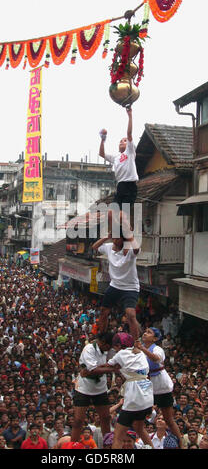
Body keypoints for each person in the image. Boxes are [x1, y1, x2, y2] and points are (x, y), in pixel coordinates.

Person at [80, 332, 154, 449]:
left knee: (118, 436)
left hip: (135, 397)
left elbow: (107, 366)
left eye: (114, 346)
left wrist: (87, 371)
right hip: (147, 395)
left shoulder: (120, 354)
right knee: (139, 428)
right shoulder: (139, 352)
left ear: (118, 345)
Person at [99, 107, 138, 255]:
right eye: (121, 141)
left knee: (121, 215)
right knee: (110, 213)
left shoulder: (130, 151)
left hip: (129, 186)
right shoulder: (116, 157)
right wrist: (103, 140)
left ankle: (127, 230)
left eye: (125, 141)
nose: (123, 141)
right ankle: (116, 232)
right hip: (120, 186)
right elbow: (101, 153)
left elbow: (129, 133)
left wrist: (129, 115)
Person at [136, 327, 184, 449]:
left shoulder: (157, 349)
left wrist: (142, 349)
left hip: (162, 385)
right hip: (148, 384)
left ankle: (181, 443)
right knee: (139, 418)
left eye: (149, 333)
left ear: (155, 338)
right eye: (145, 332)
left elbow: (156, 359)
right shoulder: (139, 348)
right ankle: (148, 444)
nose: (145, 334)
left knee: (168, 418)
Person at [92, 235, 140, 339]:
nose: (114, 241)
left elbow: (137, 249)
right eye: (113, 238)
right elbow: (95, 247)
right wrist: (106, 236)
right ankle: (102, 336)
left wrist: (130, 236)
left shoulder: (129, 251)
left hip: (130, 287)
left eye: (117, 239)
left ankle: (136, 342)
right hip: (114, 285)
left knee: (130, 314)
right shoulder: (109, 247)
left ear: (123, 240)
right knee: (104, 311)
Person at [71, 332, 113, 443]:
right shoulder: (89, 349)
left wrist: (104, 367)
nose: (110, 349)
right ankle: (73, 445)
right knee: (78, 421)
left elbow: (91, 371)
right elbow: (93, 369)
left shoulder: (106, 349)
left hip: (100, 388)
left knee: (106, 418)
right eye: (109, 346)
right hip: (84, 388)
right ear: (103, 343)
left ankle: (107, 444)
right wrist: (111, 368)